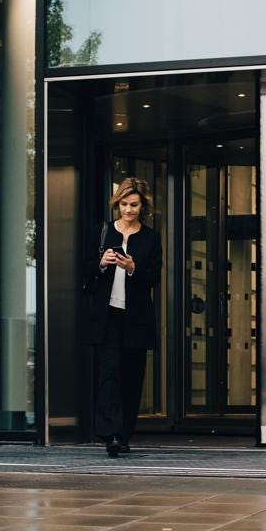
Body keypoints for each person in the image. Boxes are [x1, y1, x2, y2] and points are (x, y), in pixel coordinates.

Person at [85, 177, 162, 458]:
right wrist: (101, 264)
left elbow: (154, 277)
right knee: (109, 373)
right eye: (124, 204)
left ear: (143, 206)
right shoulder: (102, 232)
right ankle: (112, 435)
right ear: (117, 204)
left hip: (136, 318)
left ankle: (124, 432)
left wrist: (132, 268)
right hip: (108, 318)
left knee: (131, 377)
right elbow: (85, 270)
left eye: (134, 205)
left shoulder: (151, 238)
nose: (128, 210)